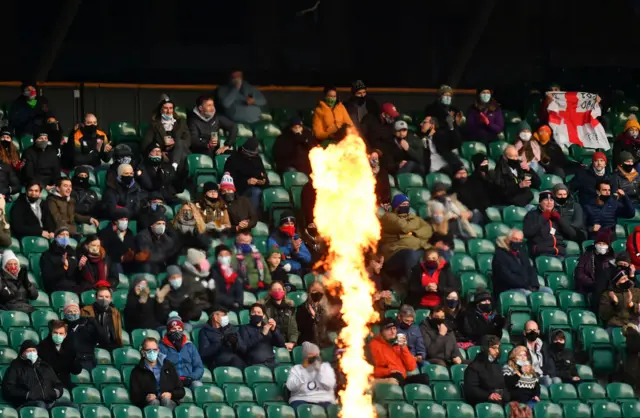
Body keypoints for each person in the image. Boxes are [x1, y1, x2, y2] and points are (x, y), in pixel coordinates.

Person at [1, 340, 67, 409]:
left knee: (71, 406)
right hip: (27, 403)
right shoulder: (15, 367)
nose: (32, 353)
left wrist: (55, 393)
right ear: (22, 353)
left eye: (33, 350)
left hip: (49, 401)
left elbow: (58, 384)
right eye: (28, 351)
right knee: (40, 405)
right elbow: (8, 389)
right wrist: (27, 394)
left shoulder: (45, 366)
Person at [380, 194, 433, 279]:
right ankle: (413, 284)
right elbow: (403, 227)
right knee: (410, 254)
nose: (405, 206)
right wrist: (415, 225)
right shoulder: (388, 216)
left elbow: (428, 229)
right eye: (403, 204)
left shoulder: (412, 217)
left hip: (418, 247)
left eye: (407, 204)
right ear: (396, 206)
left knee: (435, 253)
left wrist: (415, 233)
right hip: (394, 252)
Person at [129, 337, 185, 410]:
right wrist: (146, 398)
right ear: (143, 352)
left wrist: (171, 394)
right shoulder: (137, 371)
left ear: (158, 350)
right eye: (149, 350)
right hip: (149, 404)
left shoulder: (168, 366)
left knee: (166, 401)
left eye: (154, 350)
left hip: (169, 402)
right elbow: (135, 396)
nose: (152, 352)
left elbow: (181, 391)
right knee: (154, 402)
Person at [368, 318, 427, 386]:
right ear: (381, 331)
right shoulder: (374, 345)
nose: (393, 332)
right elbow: (370, 370)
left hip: (402, 378)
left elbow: (411, 367)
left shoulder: (398, 344)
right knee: (398, 376)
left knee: (424, 378)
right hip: (387, 376)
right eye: (388, 329)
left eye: (394, 329)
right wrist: (388, 371)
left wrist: (404, 347)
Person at [493, 229, 550, 297]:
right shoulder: (500, 255)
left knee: (547, 291)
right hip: (508, 288)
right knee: (528, 294)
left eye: (520, 240)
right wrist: (526, 285)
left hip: (526, 286)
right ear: (508, 240)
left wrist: (534, 286)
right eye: (515, 239)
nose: (518, 242)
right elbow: (507, 277)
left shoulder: (522, 252)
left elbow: (530, 269)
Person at [142, 96, 191, 166]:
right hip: (165, 153)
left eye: (171, 108)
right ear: (160, 110)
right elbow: (146, 144)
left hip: (181, 151)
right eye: (165, 108)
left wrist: (176, 145)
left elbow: (188, 140)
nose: (168, 111)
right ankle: (174, 168)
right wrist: (159, 152)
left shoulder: (181, 122)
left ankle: (174, 166)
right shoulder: (154, 124)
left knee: (180, 145)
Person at [286, 341, 337, 409]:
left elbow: (330, 385)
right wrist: (304, 371)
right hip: (301, 399)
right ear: (305, 357)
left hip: (324, 399)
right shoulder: (296, 369)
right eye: (311, 358)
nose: (314, 360)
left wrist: (320, 370)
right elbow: (290, 386)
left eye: (316, 357)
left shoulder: (326, 367)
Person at [223, 138, 269, 212]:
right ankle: (252, 215)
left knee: (265, 191)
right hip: (240, 190)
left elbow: (263, 176)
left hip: (256, 186)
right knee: (255, 191)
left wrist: (261, 181)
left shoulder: (257, 158)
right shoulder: (233, 160)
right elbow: (229, 181)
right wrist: (246, 182)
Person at [523, 190, 572, 258]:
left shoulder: (556, 216)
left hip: (560, 253)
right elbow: (528, 233)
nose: (549, 202)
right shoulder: (532, 215)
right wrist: (543, 218)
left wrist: (559, 219)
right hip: (543, 253)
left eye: (551, 200)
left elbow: (571, 234)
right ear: (540, 202)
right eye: (546, 199)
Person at [464, 335, 509, 407]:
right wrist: (488, 395)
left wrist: (505, 396)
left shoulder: (497, 365)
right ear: (485, 348)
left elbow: (503, 386)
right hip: (483, 403)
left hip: (500, 401)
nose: (497, 351)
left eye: (498, 348)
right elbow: (471, 390)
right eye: (494, 348)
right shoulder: (473, 367)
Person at [160, 317, 204, 389]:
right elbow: (160, 367)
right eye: (173, 329)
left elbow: (199, 367)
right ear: (168, 331)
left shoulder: (189, 345)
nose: (177, 331)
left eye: (179, 328)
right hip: (172, 381)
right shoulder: (162, 346)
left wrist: (191, 377)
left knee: (197, 385)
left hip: (190, 379)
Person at [36, 320, 82, 389]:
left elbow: (76, 370)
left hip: (65, 384)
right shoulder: (42, 347)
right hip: (48, 385)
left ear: (65, 335)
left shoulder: (70, 347)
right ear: (51, 333)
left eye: (61, 333)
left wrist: (74, 359)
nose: (58, 335)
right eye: (55, 333)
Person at [63, 302, 109, 370]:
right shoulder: (61, 326)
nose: (73, 313)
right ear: (65, 313)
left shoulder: (88, 324)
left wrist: (96, 324)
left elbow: (104, 338)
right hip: (69, 362)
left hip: (87, 361)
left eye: (75, 311)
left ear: (79, 311)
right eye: (69, 311)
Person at [267, 211, 312, 275]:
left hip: (297, 270)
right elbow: (274, 255)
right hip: (281, 271)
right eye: (287, 223)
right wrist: (290, 247)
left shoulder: (296, 237)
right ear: (281, 225)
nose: (290, 226)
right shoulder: (273, 238)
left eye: (292, 223)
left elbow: (308, 258)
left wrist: (297, 252)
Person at [261, 281, 300, 351]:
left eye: (279, 289)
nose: (277, 291)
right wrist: (282, 344)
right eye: (275, 290)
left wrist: (292, 342)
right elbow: (266, 328)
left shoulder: (290, 308)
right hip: (272, 344)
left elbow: (293, 329)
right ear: (270, 292)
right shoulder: (265, 308)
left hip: (288, 344)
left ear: (284, 291)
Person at [81, 284, 122, 349]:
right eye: (101, 296)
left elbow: (118, 331)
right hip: (94, 346)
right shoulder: (86, 311)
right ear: (96, 298)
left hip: (113, 345)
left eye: (107, 297)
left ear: (111, 299)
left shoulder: (115, 312)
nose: (104, 299)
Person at [575, 228, 615, 295]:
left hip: (607, 288)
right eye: (599, 243)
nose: (601, 245)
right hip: (589, 287)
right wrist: (592, 283)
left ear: (608, 246)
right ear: (595, 244)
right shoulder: (587, 256)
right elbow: (579, 273)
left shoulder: (612, 257)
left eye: (604, 244)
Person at [40, 226, 79, 294]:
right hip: (56, 287)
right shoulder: (47, 254)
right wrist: (62, 266)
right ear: (56, 237)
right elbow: (47, 276)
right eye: (62, 234)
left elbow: (77, 273)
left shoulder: (73, 253)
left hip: (73, 286)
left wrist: (81, 267)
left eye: (67, 235)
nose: (65, 237)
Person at [98, 208, 137, 275]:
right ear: (116, 221)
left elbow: (132, 249)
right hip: (112, 264)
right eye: (122, 219)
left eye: (126, 220)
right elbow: (106, 252)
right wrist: (120, 258)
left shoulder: (129, 233)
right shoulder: (106, 232)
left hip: (127, 265)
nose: (125, 222)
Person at [522, 320, 559, 387]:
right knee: (547, 380)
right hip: (531, 378)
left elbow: (550, 364)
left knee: (557, 380)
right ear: (524, 332)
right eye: (529, 330)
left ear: (538, 332)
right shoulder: (520, 347)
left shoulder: (545, 347)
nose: (532, 332)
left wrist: (548, 374)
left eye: (534, 330)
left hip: (544, 375)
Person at [296, 281, 332, 347]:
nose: (317, 293)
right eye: (314, 290)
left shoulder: (322, 310)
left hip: (323, 342)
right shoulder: (302, 308)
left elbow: (326, 325)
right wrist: (312, 317)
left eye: (320, 291)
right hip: (308, 343)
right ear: (309, 292)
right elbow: (301, 328)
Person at [211, 244, 243, 310]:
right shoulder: (213, 272)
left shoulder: (235, 272)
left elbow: (240, 296)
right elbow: (215, 295)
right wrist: (232, 302)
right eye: (221, 255)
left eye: (226, 255)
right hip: (218, 308)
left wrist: (237, 303)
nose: (224, 257)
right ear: (217, 257)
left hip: (233, 308)